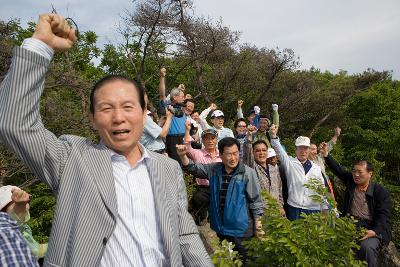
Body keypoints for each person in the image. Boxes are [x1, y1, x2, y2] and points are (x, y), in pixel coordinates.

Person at [0, 14, 211, 266]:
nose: (118, 117)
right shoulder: (72, 160)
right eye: (106, 108)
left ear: (144, 112)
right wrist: (40, 45)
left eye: (128, 107)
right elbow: (16, 123)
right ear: (91, 118)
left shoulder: (168, 168)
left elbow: (185, 235)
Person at [176, 137, 264, 260]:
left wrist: (258, 225)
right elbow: (194, 168)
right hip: (221, 228)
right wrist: (183, 156)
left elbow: (256, 201)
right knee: (228, 259)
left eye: (235, 153)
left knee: (247, 260)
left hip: (242, 230)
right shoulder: (214, 169)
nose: (233, 158)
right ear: (221, 155)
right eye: (228, 154)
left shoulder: (247, 173)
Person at [320, 143, 391, 267]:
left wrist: (374, 231)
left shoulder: (379, 191)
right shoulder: (351, 182)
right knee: (331, 241)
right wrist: (326, 155)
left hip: (371, 226)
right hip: (350, 223)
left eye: (360, 172)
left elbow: (383, 215)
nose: (356, 175)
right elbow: (338, 170)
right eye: (354, 171)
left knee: (366, 247)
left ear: (370, 174)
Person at [269, 124, 326, 220]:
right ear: (296, 149)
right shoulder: (290, 162)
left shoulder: (316, 168)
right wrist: (274, 136)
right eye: (300, 148)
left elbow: (321, 188)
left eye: (305, 148)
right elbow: (279, 151)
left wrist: (325, 207)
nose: (303, 151)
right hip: (294, 207)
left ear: (309, 150)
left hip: (313, 209)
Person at [182, 121, 221, 225]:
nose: (210, 141)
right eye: (206, 138)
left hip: (220, 187)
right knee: (198, 198)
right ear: (202, 141)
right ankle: (202, 216)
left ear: (217, 140)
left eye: (212, 138)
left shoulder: (222, 155)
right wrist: (187, 130)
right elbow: (187, 146)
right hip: (204, 189)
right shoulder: (198, 153)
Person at [243, 129, 285, 215]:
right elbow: (247, 153)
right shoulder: (252, 168)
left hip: (277, 212)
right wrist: (249, 138)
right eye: (257, 151)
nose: (261, 153)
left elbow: (279, 189)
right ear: (253, 153)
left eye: (264, 150)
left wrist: (281, 205)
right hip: (260, 214)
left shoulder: (274, 169)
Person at [0, 185, 48, 258]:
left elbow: (36, 250)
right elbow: (14, 222)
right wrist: (20, 206)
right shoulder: (6, 229)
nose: (25, 204)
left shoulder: (25, 230)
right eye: (15, 204)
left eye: (26, 202)